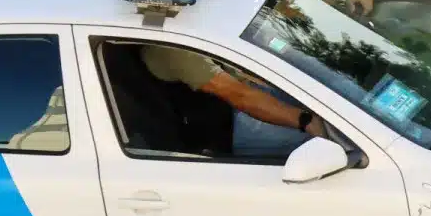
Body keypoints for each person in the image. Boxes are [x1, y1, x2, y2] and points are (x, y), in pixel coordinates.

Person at [139, 44, 328, 159]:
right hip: (230, 124)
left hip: (242, 99)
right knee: (324, 139)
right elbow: (240, 96)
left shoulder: (191, 20)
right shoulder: (177, 51)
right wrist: (305, 120)